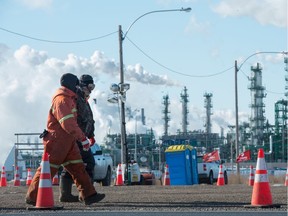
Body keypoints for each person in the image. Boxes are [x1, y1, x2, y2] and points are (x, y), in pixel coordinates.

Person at [25, 73, 105, 206]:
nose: (78, 88)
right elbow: (68, 123)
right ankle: (32, 197)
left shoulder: (70, 98)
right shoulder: (62, 100)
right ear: (71, 85)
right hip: (57, 142)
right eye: (76, 85)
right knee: (47, 169)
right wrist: (83, 138)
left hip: (68, 141)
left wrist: (85, 136)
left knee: (78, 167)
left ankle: (89, 195)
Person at [59, 74, 97, 202]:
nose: (91, 89)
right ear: (83, 85)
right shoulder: (76, 98)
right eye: (90, 86)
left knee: (72, 165)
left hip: (81, 137)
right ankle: (87, 194)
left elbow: (88, 120)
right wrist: (81, 137)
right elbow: (76, 120)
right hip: (76, 138)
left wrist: (90, 135)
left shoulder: (83, 99)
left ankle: (70, 194)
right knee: (84, 164)